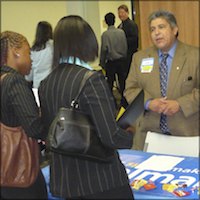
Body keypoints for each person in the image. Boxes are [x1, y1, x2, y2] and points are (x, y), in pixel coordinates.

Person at [38, 15, 134, 199]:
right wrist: (130, 136)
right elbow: (110, 136)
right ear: (87, 42)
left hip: (66, 180)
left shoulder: (46, 83)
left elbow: (49, 130)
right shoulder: (91, 80)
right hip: (100, 180)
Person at [124, 10, 199, 150]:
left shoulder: (195, 56)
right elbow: (130, 89)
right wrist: (148, 103)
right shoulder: (139, 58)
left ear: (175, 30)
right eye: (152, 29)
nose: (156, 33)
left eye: (161, 27)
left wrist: (180, 104)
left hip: (186, 135)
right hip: (149, 135)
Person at [0, 31, 47, 199]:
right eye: (29, 53)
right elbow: (33, 127)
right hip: (19, 173)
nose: (32, 59)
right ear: (15, 52)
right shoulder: (14, 81)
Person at [100, 12, 127, 108]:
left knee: (110, 84)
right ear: (115, 20)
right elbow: (125, 47)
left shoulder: (105, 35)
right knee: (123, 82)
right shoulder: (121, 32)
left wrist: (102, 63)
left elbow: (104, 49)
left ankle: (112, 104)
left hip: (111, 62)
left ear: (106, 22)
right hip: (122, 60)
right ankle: (125, 102)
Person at [25, 21, 53, 88]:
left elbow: (29, 76)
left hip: (37, 85)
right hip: (51, 83)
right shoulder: (53, 45)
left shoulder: (33, 50)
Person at [118, 4, 139, 82]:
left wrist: (123, 41)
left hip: (130, 54)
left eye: (122, 12)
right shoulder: (119, 26)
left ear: (127, 13)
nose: (120, 15)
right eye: (119, 13)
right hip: (122, 55)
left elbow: (135, 39)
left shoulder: (131, 24)